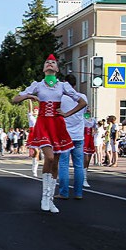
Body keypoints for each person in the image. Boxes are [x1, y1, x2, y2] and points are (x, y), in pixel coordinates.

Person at [12, 54, 87, 213]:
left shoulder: (63, 86)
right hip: (44, 124)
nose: (50, 64)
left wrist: (67, 114)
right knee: (50, 157)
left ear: (57, 69)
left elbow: (82, 102)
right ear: (44, 68)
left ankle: (51, 199)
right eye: (47, 62)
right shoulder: (37, 85)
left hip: (58, 124)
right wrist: (29, 95)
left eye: (53, 62)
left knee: (56, 162)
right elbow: (15, 99)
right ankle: (44, 197)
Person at [55, 74, 88, 200]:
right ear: (75, 84)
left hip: (65, 135)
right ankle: (78, 193)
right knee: (78, 165)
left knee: (63, 164)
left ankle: (64, 193)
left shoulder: (61, 98)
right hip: (79, 135)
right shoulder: (83, 97)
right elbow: (83, 113)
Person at [82, 107, 97, 187]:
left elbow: (95, 128)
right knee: (85, 158)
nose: (88, 110)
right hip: (84, 138)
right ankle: (83, 178)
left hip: (90, 139)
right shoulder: (82, 118)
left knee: (88, 159)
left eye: (89, 108)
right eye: (86, 108)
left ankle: (84, 174)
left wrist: (94, 132)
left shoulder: (93, 119)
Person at [27, 100, 40, 176]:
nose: (35, 111)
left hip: (38, 134)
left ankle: (35, 169)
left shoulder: (40, 118)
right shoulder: (30, 116)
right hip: (32, 134)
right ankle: (34, 169)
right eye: (34, 110)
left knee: (37, 153)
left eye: (37, 110)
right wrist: (29, 100)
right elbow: (30, 108)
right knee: (36, 152)